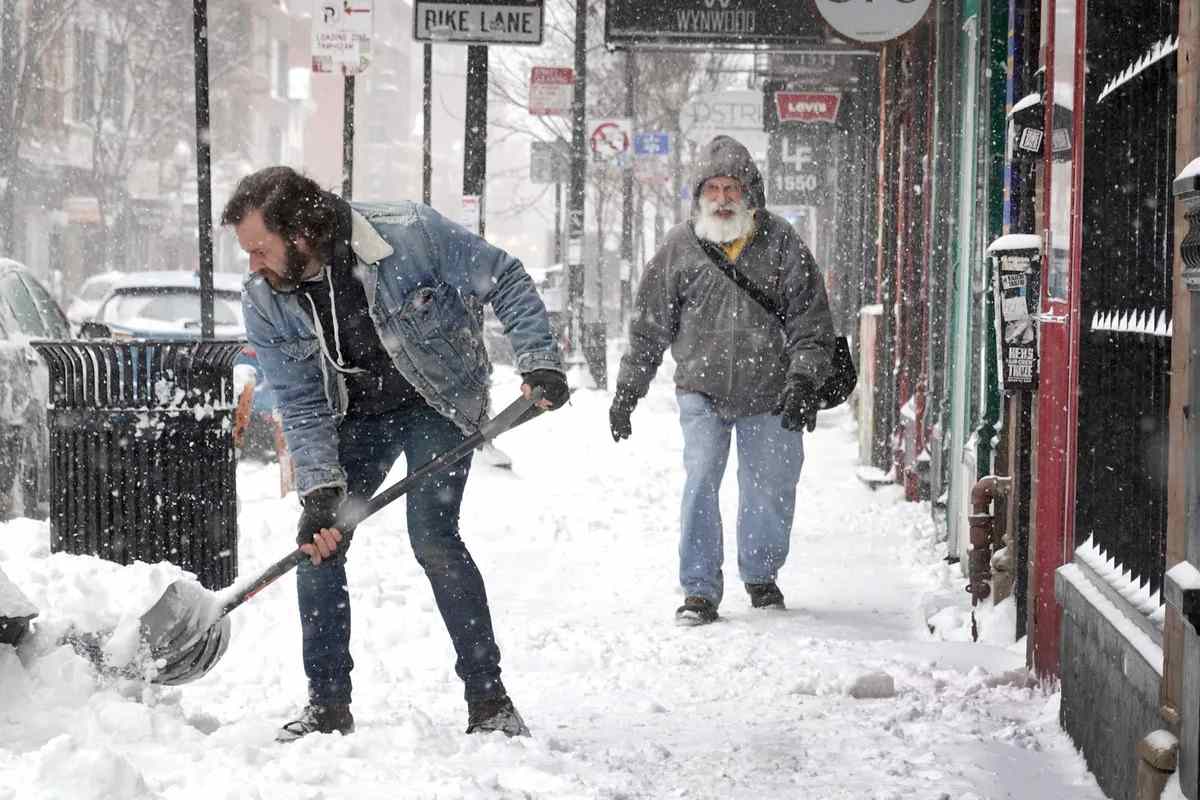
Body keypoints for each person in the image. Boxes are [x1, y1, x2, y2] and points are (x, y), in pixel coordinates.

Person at [221, 166, 568, 741]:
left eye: (260, 248)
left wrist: (539, 359)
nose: (253, 264)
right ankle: (328, 707)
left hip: (438, 400)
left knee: (432, 535)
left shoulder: (407, 232)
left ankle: (490, 701)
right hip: (353, 416)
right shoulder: (265, 298)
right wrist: (321, 492)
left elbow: (502, 276)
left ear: (301, 232)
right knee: (317, 547)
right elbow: (303, 400)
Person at [609, 135, 836, 627]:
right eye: (712, 187)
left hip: (772, 391)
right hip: (701, 390)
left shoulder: (782, 243)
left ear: (750, 192)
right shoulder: (679, 246)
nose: (722, 197)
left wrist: (801, 381)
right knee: (700, 482)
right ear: (699, 195)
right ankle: (699, 590)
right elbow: (650, 325)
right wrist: (628, 391)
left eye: (732, 187)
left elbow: (810, 322)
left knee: (770, 488)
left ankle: (759, 574)